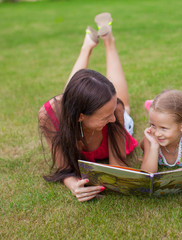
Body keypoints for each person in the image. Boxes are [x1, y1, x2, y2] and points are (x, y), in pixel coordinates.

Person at [38, 13, 138, 202]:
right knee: (74, 95)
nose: (113, 120)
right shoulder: (49, 116)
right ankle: (89, 45)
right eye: (105, 116)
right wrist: (73, 185)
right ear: (80, 117)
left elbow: (117, 165)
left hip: (96, 107)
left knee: (125, 108)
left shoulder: (115, 111)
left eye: (111, 113)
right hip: (72, 111)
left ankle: (108, 41)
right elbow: (64, 168)